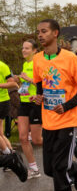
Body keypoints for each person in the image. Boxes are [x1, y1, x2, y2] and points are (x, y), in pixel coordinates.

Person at [32, 19, 77, 191]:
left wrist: (66, 106)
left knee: (59, 169)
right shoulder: (37, 59)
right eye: (38, 32)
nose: (40, 35)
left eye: (44, 31)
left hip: (68, 119)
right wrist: (39, 96)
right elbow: (40, 83)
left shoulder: (70, 58)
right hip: (49, 121)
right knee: (50, 169)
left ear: (55, 33)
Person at [15, 39, 43, 179]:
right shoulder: (25, 64)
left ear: (34, 50)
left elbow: (44, 82)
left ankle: (66, 144)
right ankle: (33, 169)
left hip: (36, 103)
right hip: (24, 102)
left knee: (37, 140)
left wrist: (28, 78)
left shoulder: (38, 63)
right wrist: (20, 82)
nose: (23, 50)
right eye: (23, 48)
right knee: (23, 137)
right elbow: (26, 82)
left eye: (27, 48)